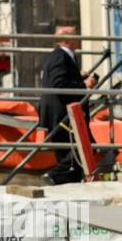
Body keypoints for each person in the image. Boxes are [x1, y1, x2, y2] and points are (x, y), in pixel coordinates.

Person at [39, 26, 95, 185]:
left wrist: (78, 78)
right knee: (75, 154)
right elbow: (59, 84)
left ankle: (63, 182)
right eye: (75, 34)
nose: (79, 37)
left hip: (63, 114)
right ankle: (53, 176)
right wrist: (84, 84)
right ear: (67, 40)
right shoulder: (60, 56)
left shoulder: (64, 56)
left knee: (72, 155)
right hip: (62, 115)